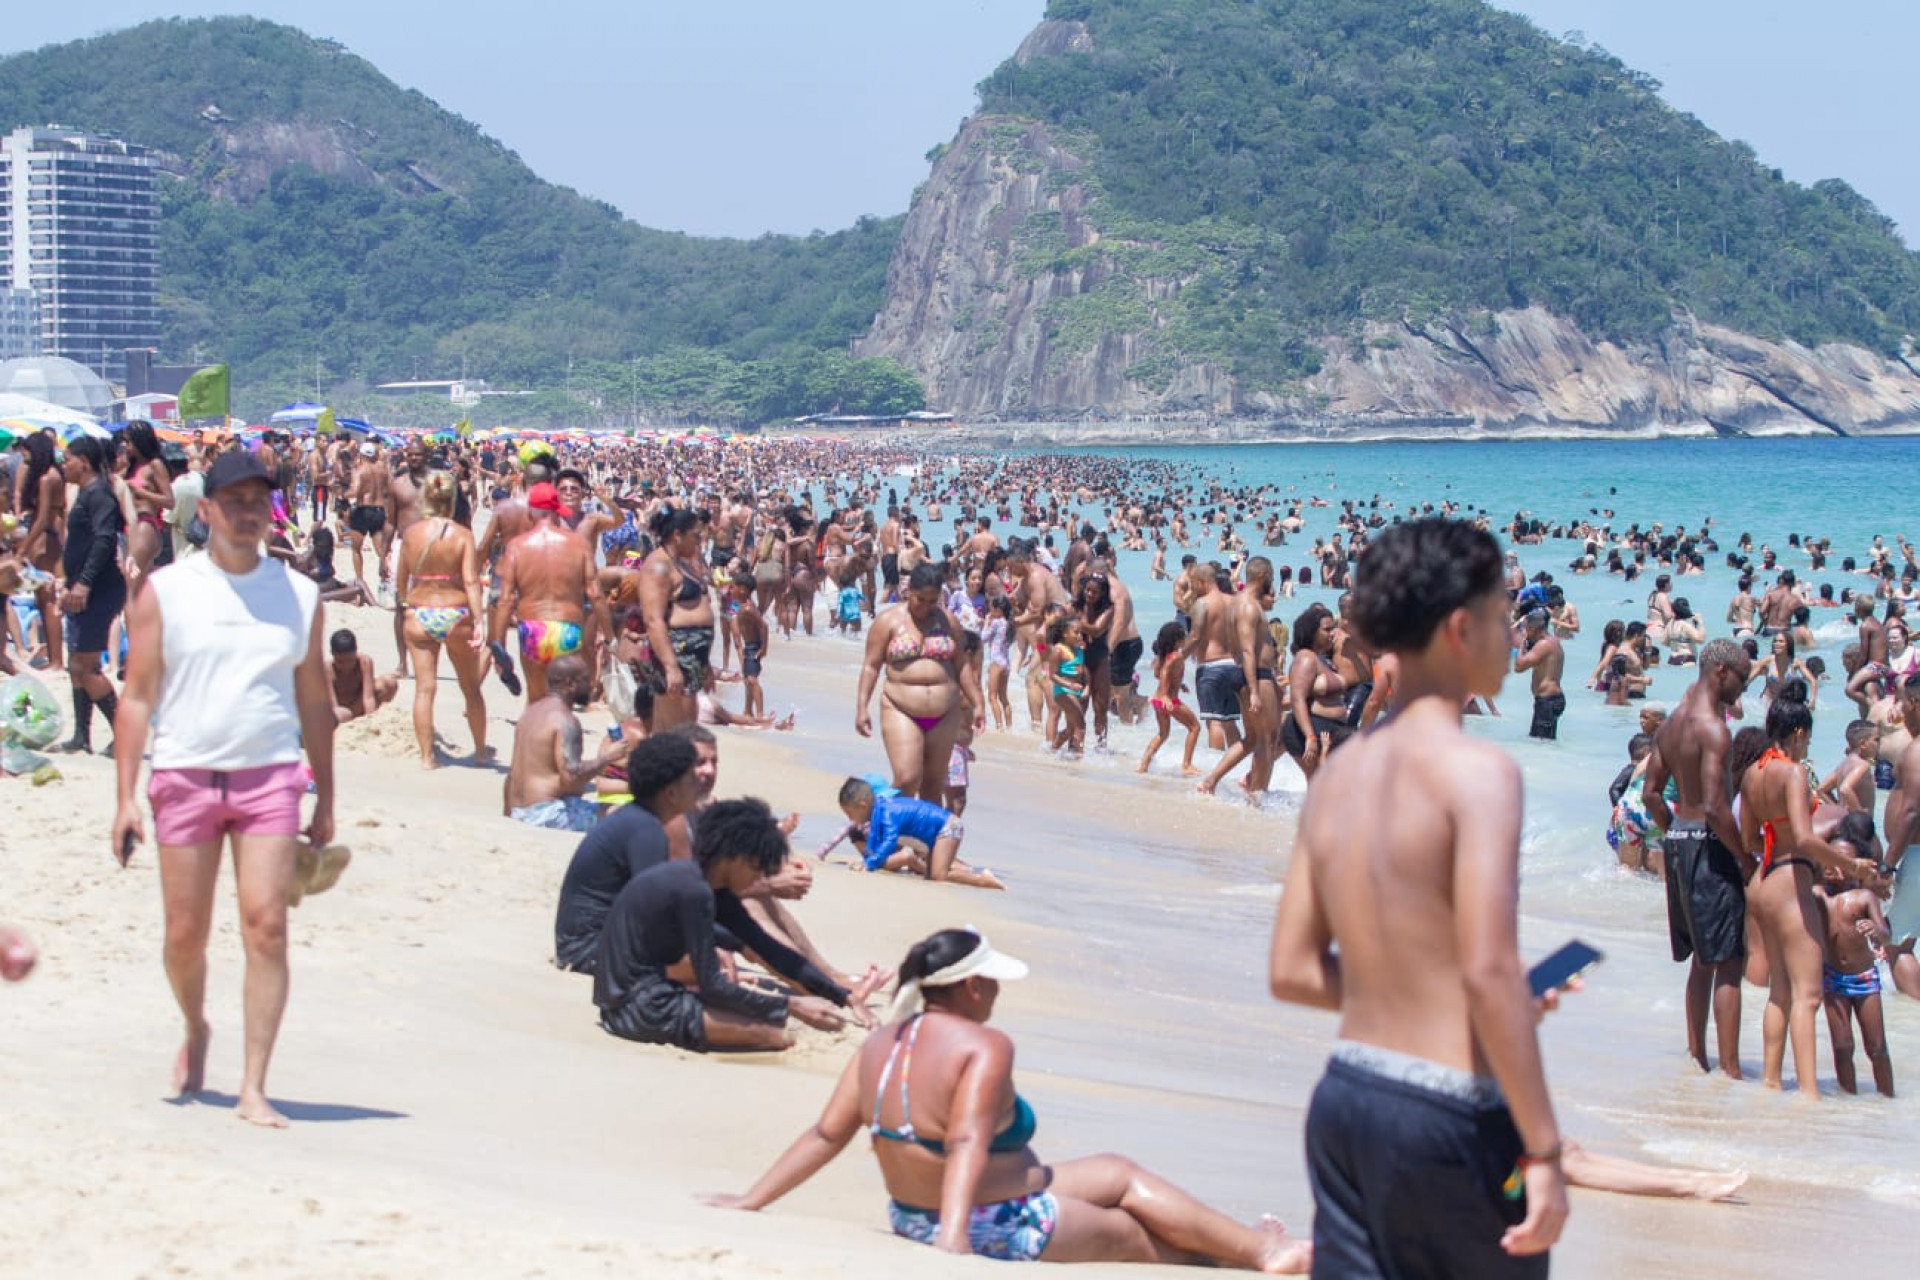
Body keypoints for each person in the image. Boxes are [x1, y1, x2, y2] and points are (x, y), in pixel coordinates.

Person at [1269, 518, 1567, 1276]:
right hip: (1449, 1114)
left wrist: (1430, 996)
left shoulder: (1341, 775)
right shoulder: (1479, 773)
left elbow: (1294, 971)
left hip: (1346, 1100)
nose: (1514, 634)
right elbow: (1491, 971)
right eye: (1505, 616)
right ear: (1461, 628)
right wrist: (1543, 1150)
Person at [704, 927, 1311, 1271]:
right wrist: (954, 1239)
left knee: (1118, 1172)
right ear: (969, 986)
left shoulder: (885, 1043)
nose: (996, 991)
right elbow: (967, 1139)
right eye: (990, 980)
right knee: (1127, 1232)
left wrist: (751, 1200)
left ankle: (1257, 1245)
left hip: (913, 1213)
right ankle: (1253, 1256)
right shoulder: (982, 1046)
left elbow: (826, 1135)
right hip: (987, 1221)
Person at [110, 449, 338, 1128]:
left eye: (255, 499)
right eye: (231, 500)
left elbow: (316, 703)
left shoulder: (298, 595)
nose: (245, 511)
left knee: (267, 926)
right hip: (184, 772)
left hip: (270, 776)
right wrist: (125, 796)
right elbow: (137, 698)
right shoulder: (168, 591)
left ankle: (253, 1087)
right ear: (202, 511)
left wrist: (326, 793)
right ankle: (194, 1023)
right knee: (185, 935)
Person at [592, 798, 850, 1051]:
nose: (760, 877)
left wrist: (841, 995)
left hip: (636, 993)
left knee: (767, 1015)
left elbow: (768, 948)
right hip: (636, 1007)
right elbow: (713, 985)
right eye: (758, 866)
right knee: (775, 1033)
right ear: (735, 860)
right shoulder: (694, 891)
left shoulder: (712, 886)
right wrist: (791, 1005)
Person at [1737, 683, 1879, 1099]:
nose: (1806, 747)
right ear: (1798, 733)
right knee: (1808, 994)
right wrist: (1851, 865)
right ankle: (1809, 1095)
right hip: (1789, 879)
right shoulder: (1793, 771)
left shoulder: (1752, 772)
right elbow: (1802, 837)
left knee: (1780, 991)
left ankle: (1770, 1082)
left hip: (1762, 882)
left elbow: (1748, 837)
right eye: (1808, 739)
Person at [1641, 639, 1752, 1080]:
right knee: (1727, 959)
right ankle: (1729, 1070)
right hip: (1710, 844)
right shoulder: (1714, 729)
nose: (1743, 690)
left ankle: (1696, 1055)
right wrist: (1744, 858)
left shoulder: (1669, 727)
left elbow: (1650, 793)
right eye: (1742, 679)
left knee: (1701, 960)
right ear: (1721, 671)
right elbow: (1715, 806)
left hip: (1680, 844)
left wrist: (1675, 836)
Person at [553, 734, 701, 972]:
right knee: (702, 967)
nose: (699, 786)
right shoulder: (646, 830)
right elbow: (656, 912)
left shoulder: (636, 818)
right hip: (585, 951)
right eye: (692, 780)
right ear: (671, 792)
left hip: (585, 943)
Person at [856, 561, 980, 801]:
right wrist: (862, 708)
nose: (926, 607)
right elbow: (871, 666)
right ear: (909, 591)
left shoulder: (948, 622)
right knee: (907, 778)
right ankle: (887, 834)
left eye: (933, 601)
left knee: (933, 786)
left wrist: (978, 703)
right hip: (900, 708)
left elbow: (962, 665)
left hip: (946, 714)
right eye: (920, 599)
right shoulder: (888, 622)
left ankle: (926, 839)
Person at [393, 472, 489, 766]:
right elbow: (472, 582)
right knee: (470, 687)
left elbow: (401, 582)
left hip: (420, 612)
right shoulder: (462, 535)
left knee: (424, 688)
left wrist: (408, 602)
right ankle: (481, 752)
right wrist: (479, 619)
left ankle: (426, 757)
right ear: (453, 500)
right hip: (455, 611)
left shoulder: (411, 534)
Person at [490, 480, 597, 705]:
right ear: (556, 513)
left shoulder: (517, 546)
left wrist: (498, 646)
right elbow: (594, 593)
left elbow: (506, 599)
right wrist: (609, 636)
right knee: (562, 701)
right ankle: (560, 737)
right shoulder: (578, 544)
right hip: (567, 628)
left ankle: (535, 736)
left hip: (533, 629)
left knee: (536, 699)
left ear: (530, 514)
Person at [504, 654, 630, 831]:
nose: (592, 684)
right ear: (570, 685)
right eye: (586, 680)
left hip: (519, 811)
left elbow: (511, 775)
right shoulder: (566, 721)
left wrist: (507, 815)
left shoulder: (529, 714)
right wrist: (607, 758)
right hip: (548, 815)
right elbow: (571, 778)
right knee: (628, 815)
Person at [57, 437, 127, 755]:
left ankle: (124, 734)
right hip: (82, 588)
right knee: (75, 663)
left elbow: (103, 540)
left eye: (67, 458)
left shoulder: (99, 493)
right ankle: (81, 736)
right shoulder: (87, 492)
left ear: (83, 461)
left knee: (87, 666)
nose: (63, 463)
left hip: (99, 590)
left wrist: (83, 582)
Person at [1817, 830, 1896, 1097]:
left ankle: (1888, 1097)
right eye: (1830, 860)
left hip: (1864, 978)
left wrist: (1876, 929)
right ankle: (1848, 1100)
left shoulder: (1864, 897)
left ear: (1856, 867)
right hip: (1832, 978)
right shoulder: (1818, 895)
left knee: (1876, 1047)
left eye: (1843, 862)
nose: (1835, 867)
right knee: (1842, 1046)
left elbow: (1886, 935)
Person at [837, 776, 1004, 890]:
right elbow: (874, 840)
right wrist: (867, 860)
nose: (850, 819)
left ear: (862, 805)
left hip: (947, 827)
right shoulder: (878, 812)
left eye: (850, 814)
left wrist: (870, 864)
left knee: (939, 875)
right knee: (931, 875)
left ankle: (983, 880)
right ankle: (972, 874)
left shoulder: (887, 812)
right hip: (935, 834)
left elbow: (889, 841)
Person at [636, 505, 715, 731]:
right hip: (675, 654)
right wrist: (670, 666)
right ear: (677, 535)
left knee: (686, 726)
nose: (699, 541)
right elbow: (653, 620)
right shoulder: (658, 566)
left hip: (692, 657)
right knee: (675, 729)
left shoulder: (680, 563)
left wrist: (705, 664)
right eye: (695, 536)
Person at [1138, 620, 1201, 776]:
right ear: (1178, 640)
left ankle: (1143, 765)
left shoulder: (1162, 656)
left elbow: (1157, 674)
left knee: (1163, 734)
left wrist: (1179, 685)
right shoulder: (1176, 657)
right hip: (1168, 700)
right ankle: (1186, 765)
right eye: (1184, 636)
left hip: (1157, 700)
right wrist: (1167, 695)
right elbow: (1165, 673)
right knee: (1195, 728)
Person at [1513, 608, 1565, 741]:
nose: (1525, 632)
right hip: (1552, 699)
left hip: (1547, 701)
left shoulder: (1543, 645)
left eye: (1526, 629)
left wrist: (1522, 642)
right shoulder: (1553, 641)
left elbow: (1519, 666)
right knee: (1543, 743)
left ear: (1533, 628)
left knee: (1542, 743)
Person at [328, 628, 398, 723]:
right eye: (340, 662)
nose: (346, 666)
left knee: (389, 682)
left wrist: (371, 721)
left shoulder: (364, 663)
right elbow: (333, 704)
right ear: (332, 654)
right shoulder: (327, 669)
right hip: (341, 709)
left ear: (356, 650)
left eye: (350, 660)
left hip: (358, 705)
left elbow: (368, 697)